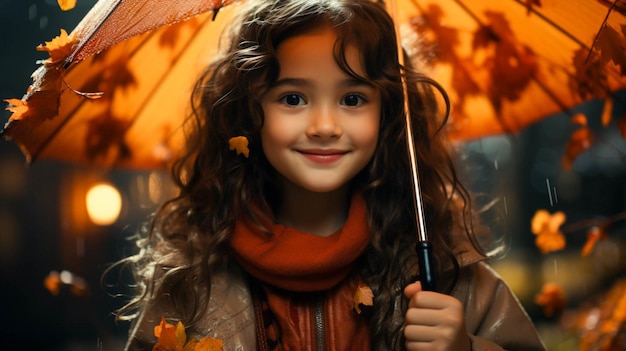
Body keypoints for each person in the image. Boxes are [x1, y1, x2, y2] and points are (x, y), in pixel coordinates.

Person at [115, 0, 546, 349]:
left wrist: (464, 349)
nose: (324, 126)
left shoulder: (445, 272)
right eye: (294, 97)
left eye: (353, 99)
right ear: (250, 110)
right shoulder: (193, 283)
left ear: (389, 112)